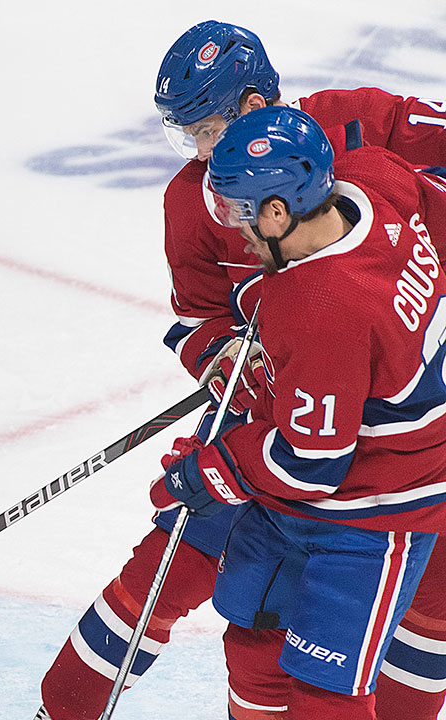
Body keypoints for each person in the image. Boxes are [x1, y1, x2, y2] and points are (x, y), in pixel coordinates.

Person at [37, 20, 446, 720]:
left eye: (205, 128)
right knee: (191, 586)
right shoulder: (194, 202)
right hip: (274, 428)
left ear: (254, 106)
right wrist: (229, 364)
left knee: (424, 611)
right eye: (186, 134)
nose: (197, 152)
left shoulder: (359, 130)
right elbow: (198, 321)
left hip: (383, 435)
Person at [154, 104, 446, 718]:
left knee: (325, 695)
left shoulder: (320, 308)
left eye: (240, 212)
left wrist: (214, 469)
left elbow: (312, 464)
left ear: (279, 211)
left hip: (377, 503)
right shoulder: (374, 179)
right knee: (254, 636)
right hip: (345, 455)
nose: (236, 231)